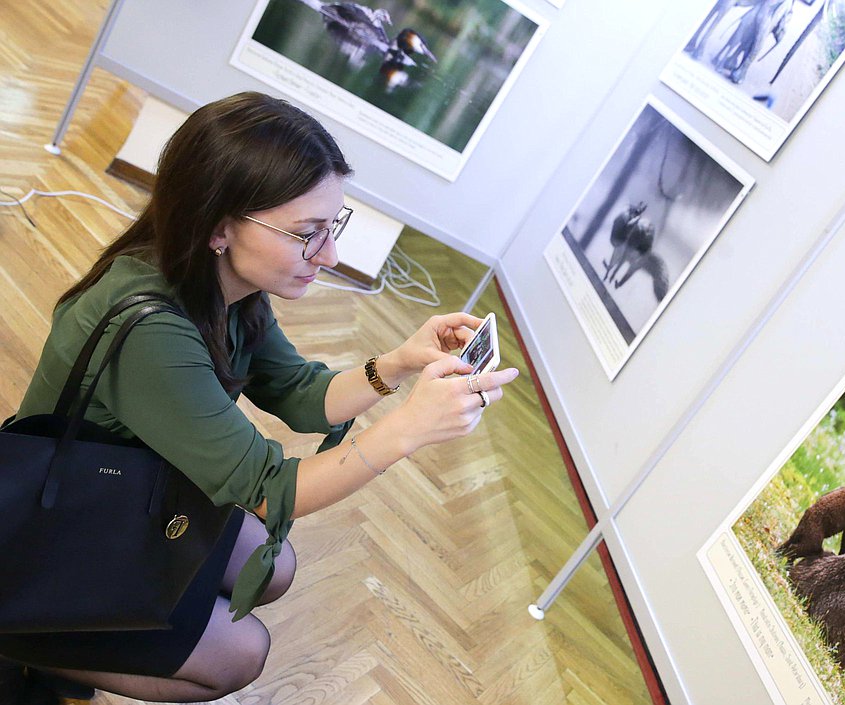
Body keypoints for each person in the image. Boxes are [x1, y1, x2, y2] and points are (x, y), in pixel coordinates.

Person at [0, 91, 518, 702]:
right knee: (240, 656)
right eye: (307, 234)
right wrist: (407, 430)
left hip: (128, 483)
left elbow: (301, 394)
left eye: (333, 227)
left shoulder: (227, 283)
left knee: (274, 569)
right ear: (220, 226)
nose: (328, 256)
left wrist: (400, 362)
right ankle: (19, 639)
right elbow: (270, 494)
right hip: (65, 517)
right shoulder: (150, 331)